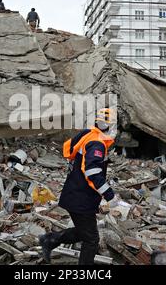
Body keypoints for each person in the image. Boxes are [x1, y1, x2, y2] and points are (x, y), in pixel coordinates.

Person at [39, 108, 119, 265]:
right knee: (91, 240)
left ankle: (50, 240)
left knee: (85, 232)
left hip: (76, 194)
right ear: (109, 126)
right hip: (81, 198)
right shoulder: (97, 143)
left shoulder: (89, 136)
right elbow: (93, 172)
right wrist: (110, 195)